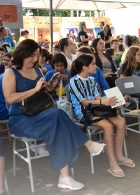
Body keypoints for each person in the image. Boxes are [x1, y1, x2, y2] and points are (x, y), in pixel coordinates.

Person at [2, 39, 106, 190]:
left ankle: (65, 176)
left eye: (37, 56)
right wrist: (35, 89)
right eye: (32, 55)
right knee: (58, 116)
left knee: (58, 125)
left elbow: (41, 95)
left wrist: (49, 85)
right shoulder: (10, 72)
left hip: (40, 114)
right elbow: (10, 98)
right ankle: (85, 147)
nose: (35, 59)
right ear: (22, 53)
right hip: (20, 120)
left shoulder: (38, 70)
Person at [70, 54, 134, 178]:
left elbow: (98, 98)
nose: (96, 66)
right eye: (93, 64)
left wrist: (114, 102)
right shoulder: (74, 81)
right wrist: (102, 102)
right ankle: (112, 163)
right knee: (108, 126)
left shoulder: (92, 80)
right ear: (84, 67)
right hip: (84, 112)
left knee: (121, 122)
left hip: (97, 109)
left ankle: (119, 156)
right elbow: (84, 102)